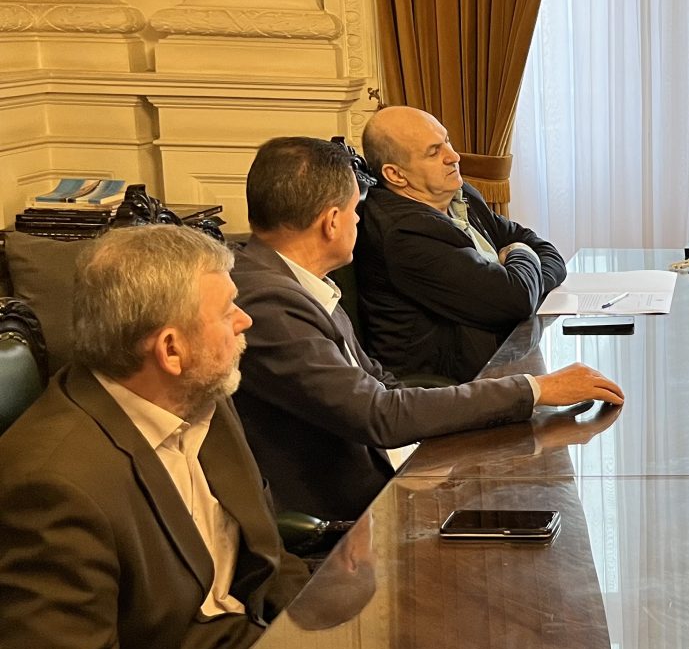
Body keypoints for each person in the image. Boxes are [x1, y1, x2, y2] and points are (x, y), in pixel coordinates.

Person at [0, 226, 308, 649]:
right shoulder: (56, 485)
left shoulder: (200, 395)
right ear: (171, 349)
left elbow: (267, 555)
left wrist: (315, 635)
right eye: (227, 311)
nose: (245, 321)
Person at [233, 137, 624, 519]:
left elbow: (381, 383)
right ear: (332, 222)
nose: (359, 220)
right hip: (351, 515)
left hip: (392, 471)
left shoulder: (294, 282)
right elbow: (378, 414)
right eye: (354, 211)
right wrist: (534, 389)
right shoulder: (270, 304)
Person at [355, 105, 565, 381]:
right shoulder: (405, 233)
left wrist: (523, 279)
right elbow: (517, 298)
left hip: (501, 358)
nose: (453, 156)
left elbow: (550, 257)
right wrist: (521, 252)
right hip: (446, 388)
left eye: (447, 141)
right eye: (434, 152)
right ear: (396, 175)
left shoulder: (459, 193)